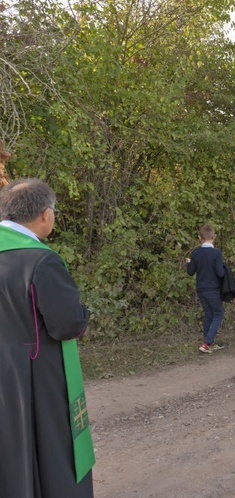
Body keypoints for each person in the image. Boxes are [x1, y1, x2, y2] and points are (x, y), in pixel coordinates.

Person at [0, 178, 94, 497]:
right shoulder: (41, 260)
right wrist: (84, 315)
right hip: (34, 377)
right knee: (48, 450)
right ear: (45, 214)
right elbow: (67, 324)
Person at [186, 224, 226, 353]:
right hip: (213, 289)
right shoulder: (216, 253)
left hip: (201, 289)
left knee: (209, 314)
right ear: (214, 237)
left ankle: (210, 342)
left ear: (199, 238)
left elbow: (191, 272)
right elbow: (220, 273)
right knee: (219, 313)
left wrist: (188, 263)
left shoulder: (196, 253)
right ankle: (207, 343)